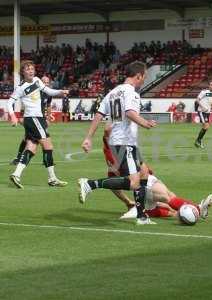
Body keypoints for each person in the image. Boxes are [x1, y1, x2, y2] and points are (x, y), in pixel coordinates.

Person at [78, 61, 157, 225]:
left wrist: (88, 137)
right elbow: (129, 112)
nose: (144, 80)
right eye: (144, 76)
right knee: (134, 182)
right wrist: (145, 123)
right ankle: (91, 184)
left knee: (143, 173)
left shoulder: (113, 92)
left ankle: (142, 216)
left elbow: (99, 115)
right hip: (123, 142)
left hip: (123, 142)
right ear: (138, 76)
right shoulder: (132, 93)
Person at [100, 124, 212, 221]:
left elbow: (111, 182)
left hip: (145, 183)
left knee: (166, 202)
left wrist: (127, 201)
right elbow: (107, 130)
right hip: (145, 183)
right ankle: (198, 209)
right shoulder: (117, 149)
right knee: (168, 198)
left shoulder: (111, 154)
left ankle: (143, 211)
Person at [7, 61, 69, 189]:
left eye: (32, 69)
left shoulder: (37, 80)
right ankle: (52, 178)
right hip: (33, 118)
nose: (31, 71)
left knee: (31, 147)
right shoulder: (21, 88)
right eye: (28, 69)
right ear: (23, 72)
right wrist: (13, 116)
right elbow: (9, 103)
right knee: (48, 145)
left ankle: (16, 174)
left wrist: (60, 92)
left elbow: (48, 91)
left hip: (37, 119)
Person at [11, 75, 53, 165]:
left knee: (43, 138)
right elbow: (25, 104)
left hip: (42, 119)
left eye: (47, 82)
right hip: (32, 118)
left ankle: (46, 160)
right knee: (28, 138)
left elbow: (48, 106)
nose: (46, 84)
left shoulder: (48, 93)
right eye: (44, 82)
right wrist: (22, 116)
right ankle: (18, 158)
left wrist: (48, 118)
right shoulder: (34, 91)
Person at [194, 80, 212, 149]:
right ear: (209, 86)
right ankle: (198, 140)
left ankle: (198, 140)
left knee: (206, 127)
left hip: (208, 112)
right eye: (211, 85)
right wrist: (203, 107)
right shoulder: (204, 92)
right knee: (206, 126)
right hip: (201, 111)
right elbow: (197, 100)